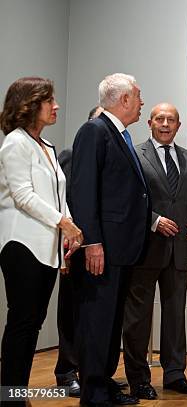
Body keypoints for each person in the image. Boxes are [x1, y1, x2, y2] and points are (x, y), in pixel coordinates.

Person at [0, 77, 82, 398]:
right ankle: (9, 396)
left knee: (32, 322)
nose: (56, 106)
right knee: (22, 323)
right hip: (21, 245)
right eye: (49, 100)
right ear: (29, 105)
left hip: (46, 248)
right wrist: (64, 222)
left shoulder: (45, 145)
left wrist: (69, 226)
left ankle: (15, 394)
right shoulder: (15, 143)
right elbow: (23, 196)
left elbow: (57, 195)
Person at [70, 73, 149, 406]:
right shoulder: (95, 130)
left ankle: (104, 383)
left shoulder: (120, 134)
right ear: (125, 99)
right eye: (139, 96)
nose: (142, 102)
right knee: (98, 322)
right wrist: (93, 242)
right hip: (104, 247)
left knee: (112, 321)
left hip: (123, 247)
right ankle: (94, 392)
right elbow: (84, 191)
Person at [122, 103, 187, 399]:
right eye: (160, 118)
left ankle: (174, 374)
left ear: (179, 126)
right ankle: (138, 379)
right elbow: (127, 200)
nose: (166, 124)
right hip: (145, 249)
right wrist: (154, 221)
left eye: (171, 120)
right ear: (149, 123)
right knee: (138, 318)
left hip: (180, 251)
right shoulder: (135, 154)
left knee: (175, 317)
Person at [54, 104, 105, 398]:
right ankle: (65, 372)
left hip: (103, 250)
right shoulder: (71, 156)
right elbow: (68, 203)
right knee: (71, 311)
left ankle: (92, 373)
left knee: (96, 315)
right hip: (75, 247)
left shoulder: (114, 159)